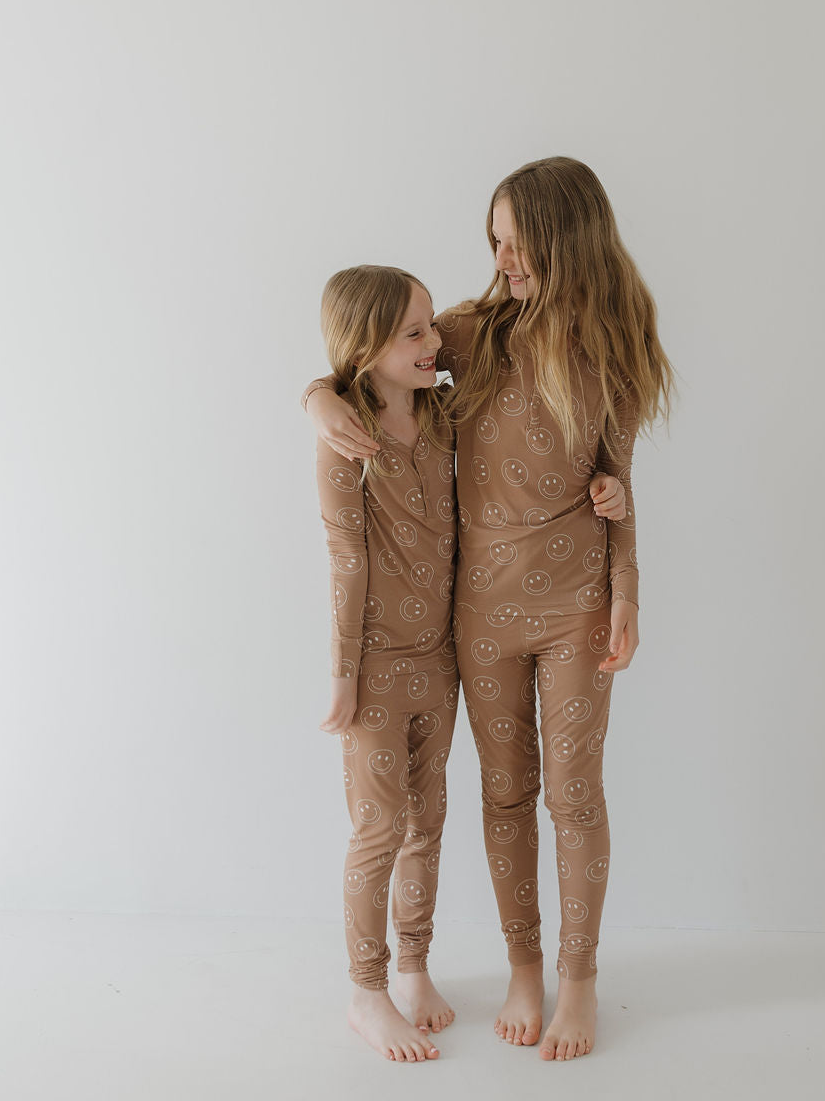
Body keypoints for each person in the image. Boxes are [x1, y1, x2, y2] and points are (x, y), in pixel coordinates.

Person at [306, 158, 674, 1061]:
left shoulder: (617, 347)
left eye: (513, 240)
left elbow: (616, 482)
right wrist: (313, 396)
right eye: (494, 240)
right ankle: (524, 968)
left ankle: (579, 980)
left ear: (562, 237)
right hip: (479, 614)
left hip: (577, 606)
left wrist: (627, 588)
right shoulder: (467, 336)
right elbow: (369, 366)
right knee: (505, 793)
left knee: (575, 796)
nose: (500, 257)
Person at [315, 264, 459, 1062]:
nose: (432, 343)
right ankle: (366, 993)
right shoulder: (345, 440)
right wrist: (343, 671)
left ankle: (412, 968)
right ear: (366, 346)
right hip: (373, 667)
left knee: (427, 822)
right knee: (380, 828)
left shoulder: (443, 413)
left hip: (439, 660)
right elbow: (346, 556)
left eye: (431, 326)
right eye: (414, 332)